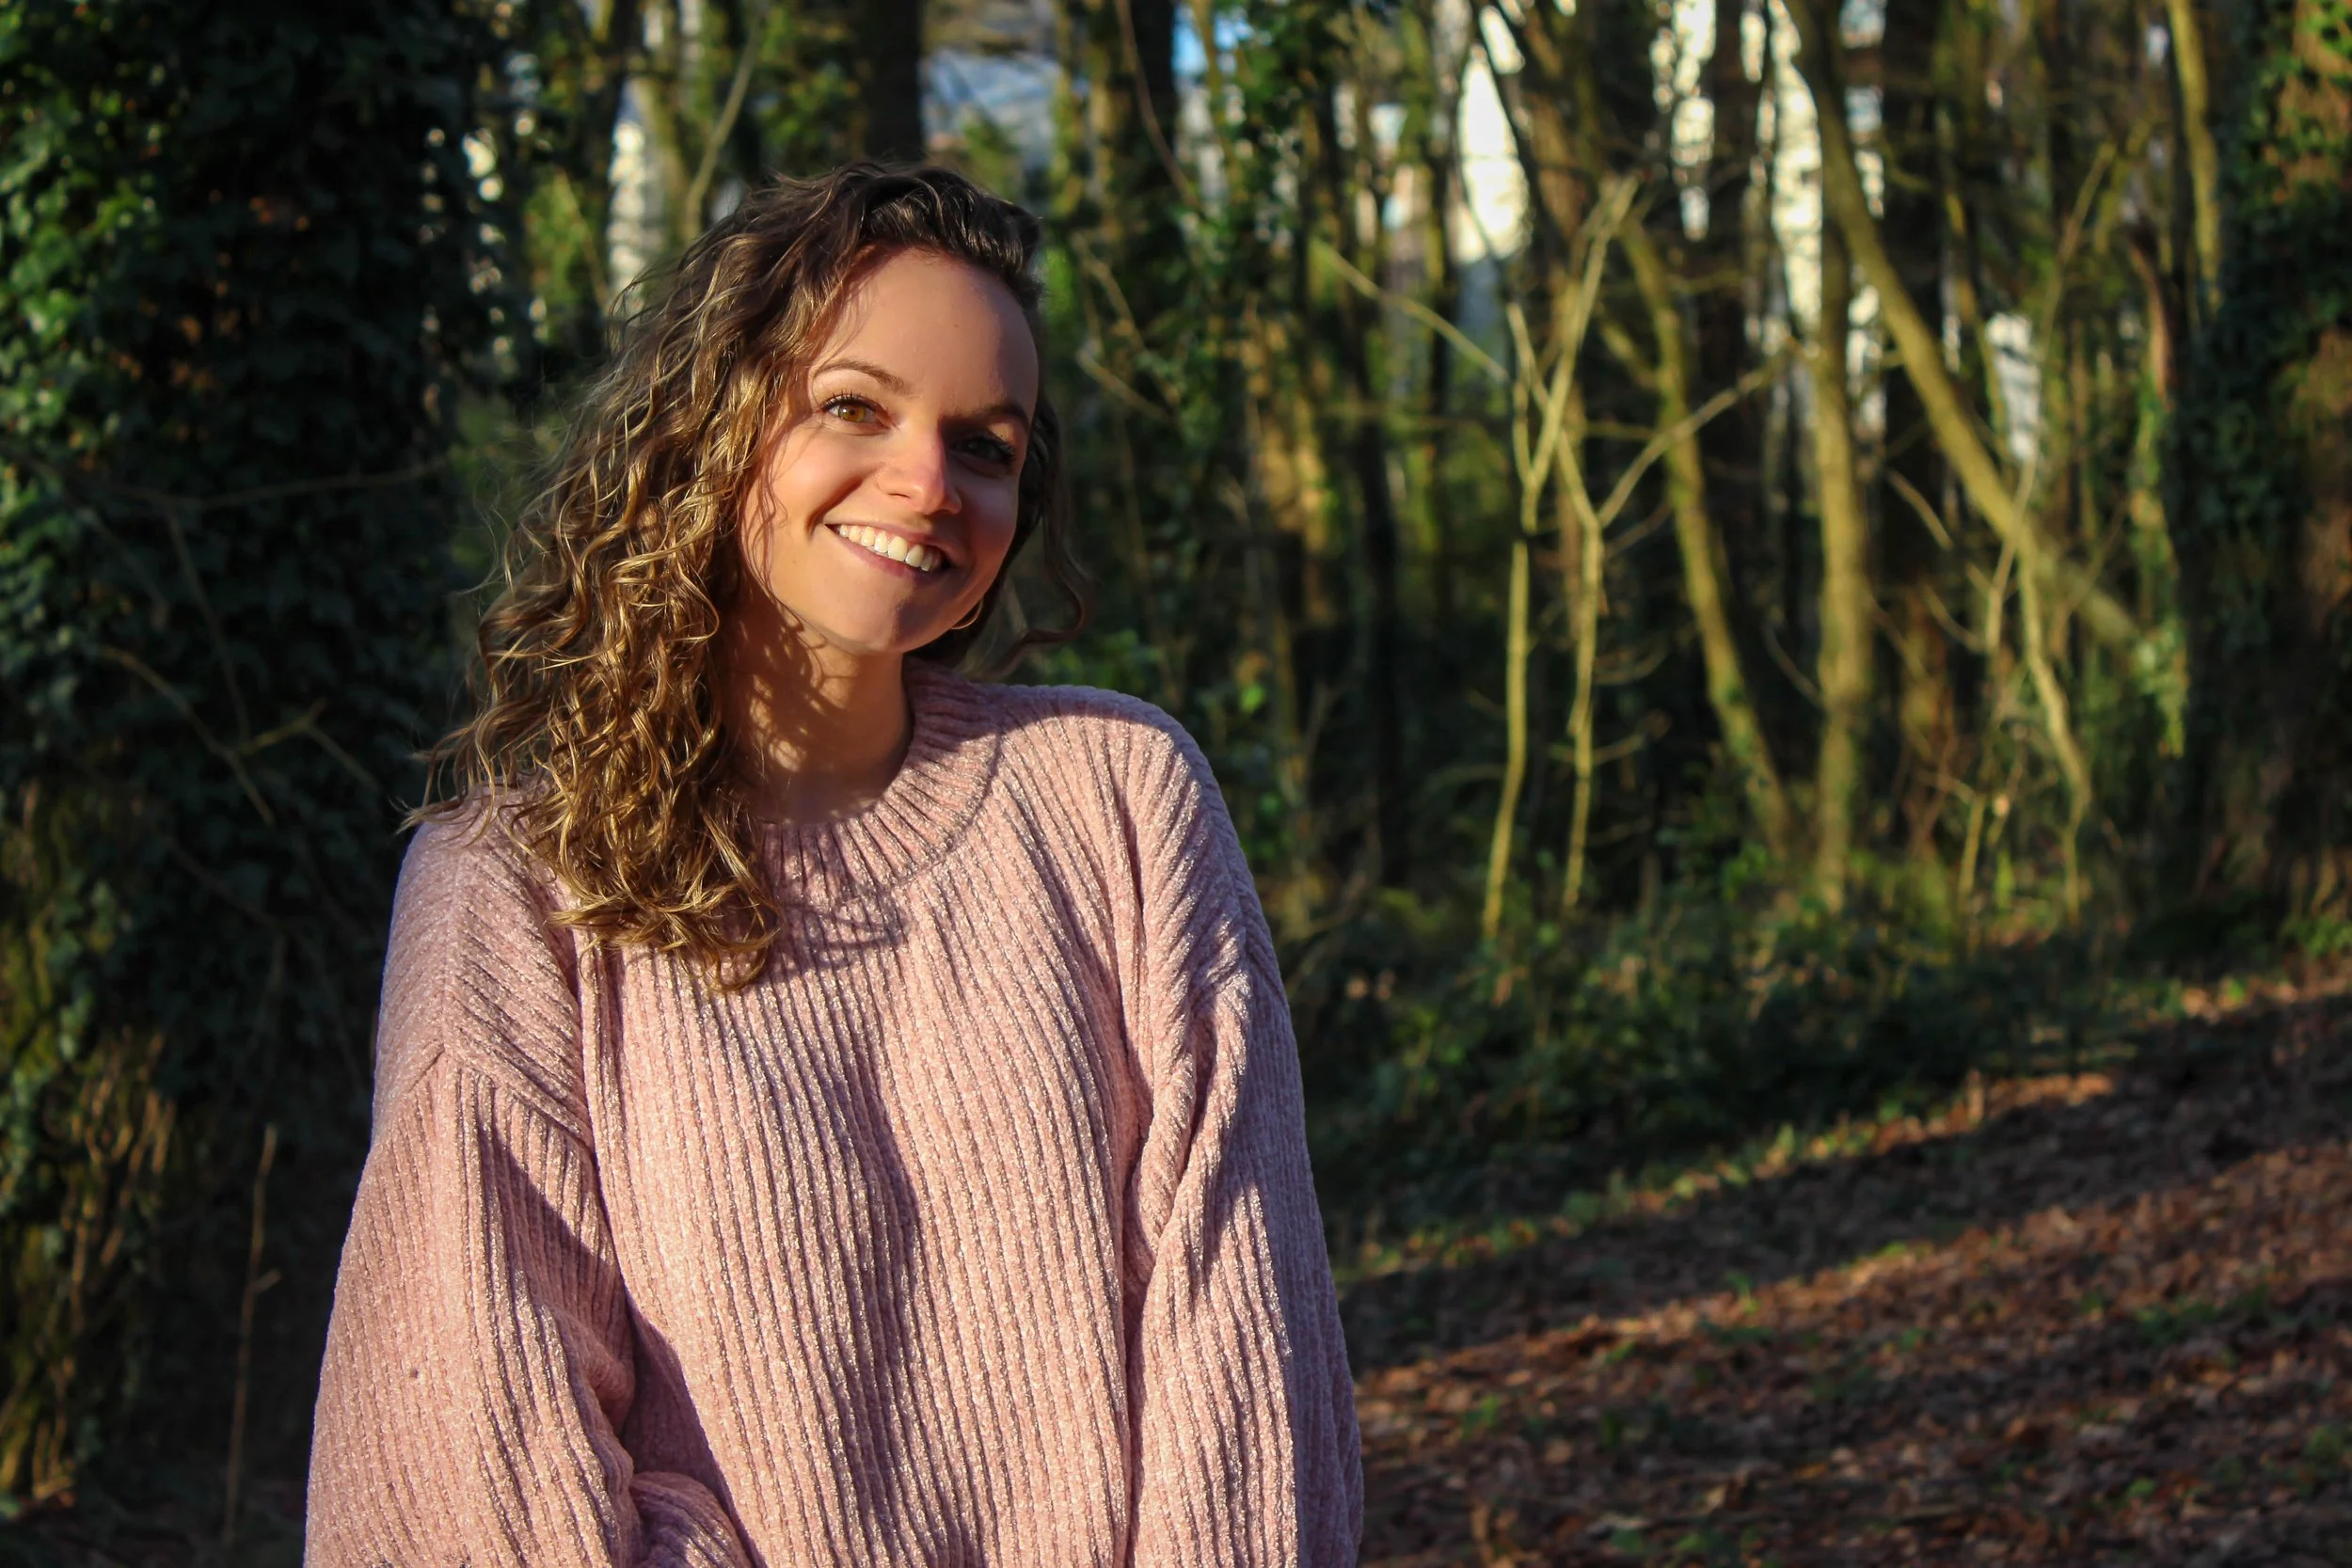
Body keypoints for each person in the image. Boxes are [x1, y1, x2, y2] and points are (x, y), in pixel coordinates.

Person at [303, 164, 1363, 1565]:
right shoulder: (512, 892)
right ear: (715, 426)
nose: (929, 483)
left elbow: (1248, 1361)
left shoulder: (1121, 802)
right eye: (855, 405)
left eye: (985, 443)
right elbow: (473, 1467)